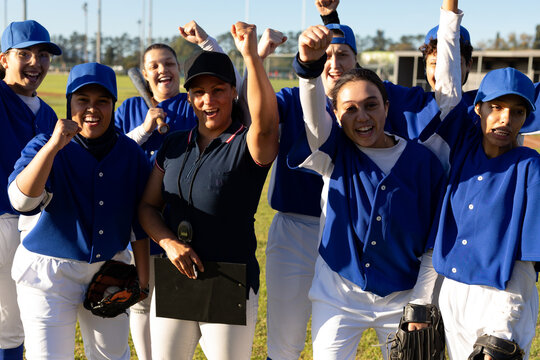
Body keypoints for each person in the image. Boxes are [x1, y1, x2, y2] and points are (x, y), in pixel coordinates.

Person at [289, 16, 449, 359]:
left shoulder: (423, 162)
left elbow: (434, 243)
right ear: (336, 114)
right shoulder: (332, 152)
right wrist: (308, 68)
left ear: (387, 107)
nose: (361, 116)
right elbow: (314, 120)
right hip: (338, 296)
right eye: (349, 109)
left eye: (371, 105)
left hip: (402, 297)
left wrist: (421, 303)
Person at [138, 21, 278, 360]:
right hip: (175, 277)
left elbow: (267, 121)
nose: (208, 100)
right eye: (199, 93)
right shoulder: (173, 144)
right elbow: (147, 208)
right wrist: (169, 243)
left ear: (234, 92)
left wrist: (251, 57)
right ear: (189, 98)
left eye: (217, 90)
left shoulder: (249, 143)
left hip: (229, 279)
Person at [114, 20, 241, 360]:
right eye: (153, 66)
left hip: (181, 219)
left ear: (180, 69)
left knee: (177, 302)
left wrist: (208, 44)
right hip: (137, 217)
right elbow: (112, 153)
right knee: (142, 299)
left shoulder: (192, 104)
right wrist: (143, 129)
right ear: (144, 72)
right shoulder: (129, 109)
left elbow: (231, 88)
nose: (162, 70)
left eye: (169, 64)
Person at [7, 62, 150, 359]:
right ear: (69, 101)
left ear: (114, 105)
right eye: (82, 100)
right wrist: (54, 146)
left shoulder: (130, 152)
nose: (91, 109)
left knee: (113, 355)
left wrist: (143, 282)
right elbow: (22, 201)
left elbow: (139, 221)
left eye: (102, 101)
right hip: (47, 275)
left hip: (110, 271)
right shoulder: (44, 144)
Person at [421, 4, 540, 359]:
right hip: (453, 293)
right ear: (479, 108)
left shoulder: (529, 166)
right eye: (496, 107)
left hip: (500, 294)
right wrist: (449, 10)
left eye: (517, 112)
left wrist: (506, 325)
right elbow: (446, 81)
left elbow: (526, 259)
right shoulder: (462, 150)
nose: (505, 119)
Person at [257, 22, 357, 360]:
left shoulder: (368, 108)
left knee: (333, 341)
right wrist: (255, 56)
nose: (334, 62)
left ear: (357, 62)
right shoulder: (290, 97)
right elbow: (251, 110)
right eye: (327, 54)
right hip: (294, 229)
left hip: (346, 233)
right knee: (285, 339)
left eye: (343, 54)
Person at [0, 19, 60, 360]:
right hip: (1, 221)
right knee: (8, 325)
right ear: (4, 59)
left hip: (36, 227)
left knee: (28, 321)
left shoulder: (49, 114)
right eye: (24, 53)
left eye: (43, 54)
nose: (36, 62)